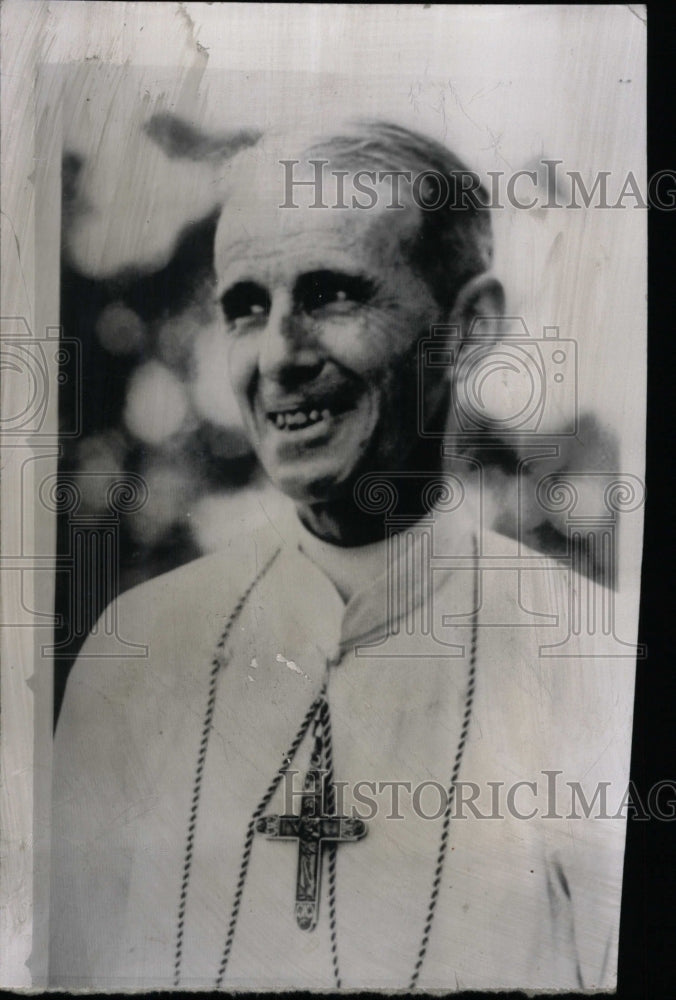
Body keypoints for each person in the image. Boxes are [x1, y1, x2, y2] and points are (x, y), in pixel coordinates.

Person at [49, 120, 635, 991]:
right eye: (247, 306)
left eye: (332, 295)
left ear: (468, 329)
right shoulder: (137, 650)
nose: (278, 358)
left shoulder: (592, 663)